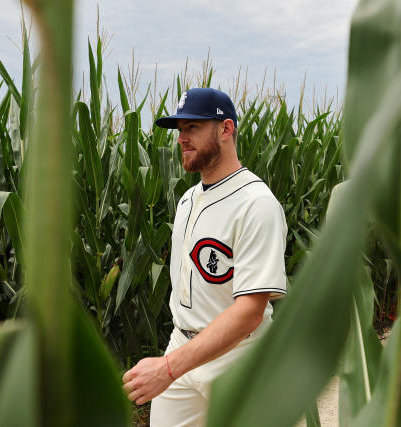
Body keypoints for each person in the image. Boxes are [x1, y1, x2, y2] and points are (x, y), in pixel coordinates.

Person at [122, 87, 287, 426]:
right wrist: (175, 362)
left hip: (240, 358)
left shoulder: (256, 204)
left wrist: (166, 368)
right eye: (180, 129)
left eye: (193, 127)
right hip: (182, 346)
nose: (182, 138)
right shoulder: (187, 200)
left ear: (226, 129)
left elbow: (249, 313)